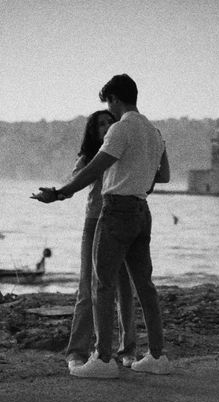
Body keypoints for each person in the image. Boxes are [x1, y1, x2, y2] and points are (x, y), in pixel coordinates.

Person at [31, 74, 171, 379]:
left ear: (116, 99)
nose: (110, 108)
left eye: (109, 102)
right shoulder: (153, 130)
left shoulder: (122, 129)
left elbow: (95, 167)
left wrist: (59, 193)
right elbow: (164, 176)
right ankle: (158, 357)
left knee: (102, 285)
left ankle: (104, 359)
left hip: (117, 211)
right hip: (141, 211)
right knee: (144, 286)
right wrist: (136, 173)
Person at [66, 110, 136, 372]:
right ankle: (76, 351)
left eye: (109, 122)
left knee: (123, 289)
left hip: (121, 220)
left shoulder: (123, 148)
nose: (106, 126)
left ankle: (128, 350)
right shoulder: (92, 155)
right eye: (100, 124)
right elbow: (76, 179)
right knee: (87, 287)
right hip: (95, 221)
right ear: (93, 131)